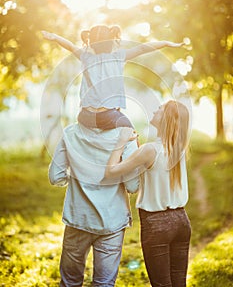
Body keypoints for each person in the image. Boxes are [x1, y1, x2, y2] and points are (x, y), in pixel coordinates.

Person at [104, 100, 191, 287]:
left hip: (156, 224)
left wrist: (120, 143)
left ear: (166, 119)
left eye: (160, 109)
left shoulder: (149, 150)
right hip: (182, 222)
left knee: (161, 284)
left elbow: (110, 171)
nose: (155, 109)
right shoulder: (179, 149)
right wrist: (137, 146)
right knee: (178, 282)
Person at [49, 122, 139, 286]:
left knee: (70, 282)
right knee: (104, 283)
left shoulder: (70, 132)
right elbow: (133, 186)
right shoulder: (126, 135)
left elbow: (56, 176)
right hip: (113, 221)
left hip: (78, 218)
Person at [42, 25, 184, 130]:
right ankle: (137, 167)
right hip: (107, 117)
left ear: (91, 43)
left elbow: (70, 46)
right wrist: (165, 43)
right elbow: (142, 48)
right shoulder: (118, 57)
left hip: (84, 117)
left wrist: (55, 38)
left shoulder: (86, 58)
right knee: (131, 133)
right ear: (112, 41)